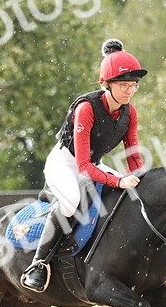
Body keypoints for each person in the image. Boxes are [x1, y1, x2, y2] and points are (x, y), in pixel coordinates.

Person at [20, 38, 147, 292]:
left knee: (127, 193)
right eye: (123, 85)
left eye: (133, 85)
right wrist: (119, 179)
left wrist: (141, 177)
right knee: (70, 201)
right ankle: (38, 264)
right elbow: (82, 166)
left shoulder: (129, 113)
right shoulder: (87, 108)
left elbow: (133, 154)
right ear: (105, 84)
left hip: (93, 162)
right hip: (65, 161)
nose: (129, 91)